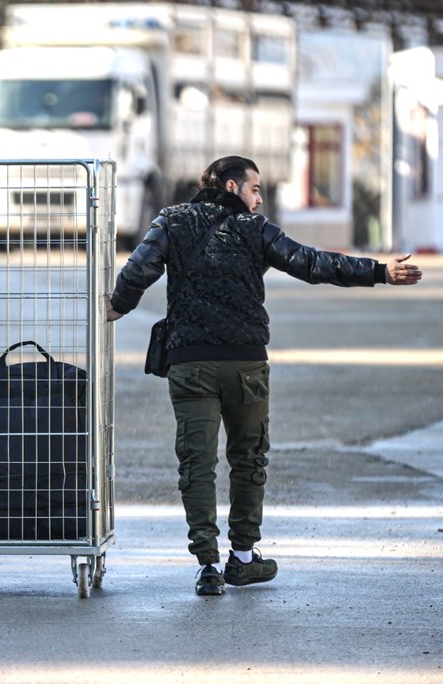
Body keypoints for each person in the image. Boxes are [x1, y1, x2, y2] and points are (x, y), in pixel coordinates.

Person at [105, 156, 422, 597]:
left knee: (197, 463)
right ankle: (243, 557)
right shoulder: (255, 230)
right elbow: (311, 264)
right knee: (248, 459)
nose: (259, 199)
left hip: (190, 363)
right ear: (233, 187)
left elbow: (139, 270)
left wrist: (115, 307)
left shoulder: (171, 221)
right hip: (245, 365)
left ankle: (207, 564)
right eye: (256, 190)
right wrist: (379, 271)